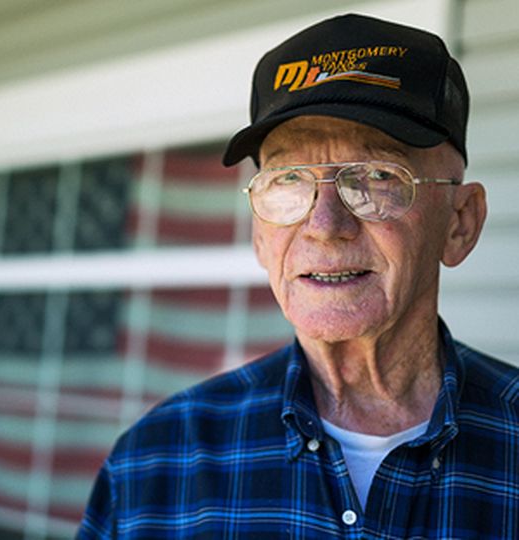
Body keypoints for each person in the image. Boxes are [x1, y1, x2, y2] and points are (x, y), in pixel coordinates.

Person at [77, 13, 519, 539]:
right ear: (260, 233)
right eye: (289, 179)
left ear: (460, 224)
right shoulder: (155, 461)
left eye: (376, 176)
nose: (324, 226)